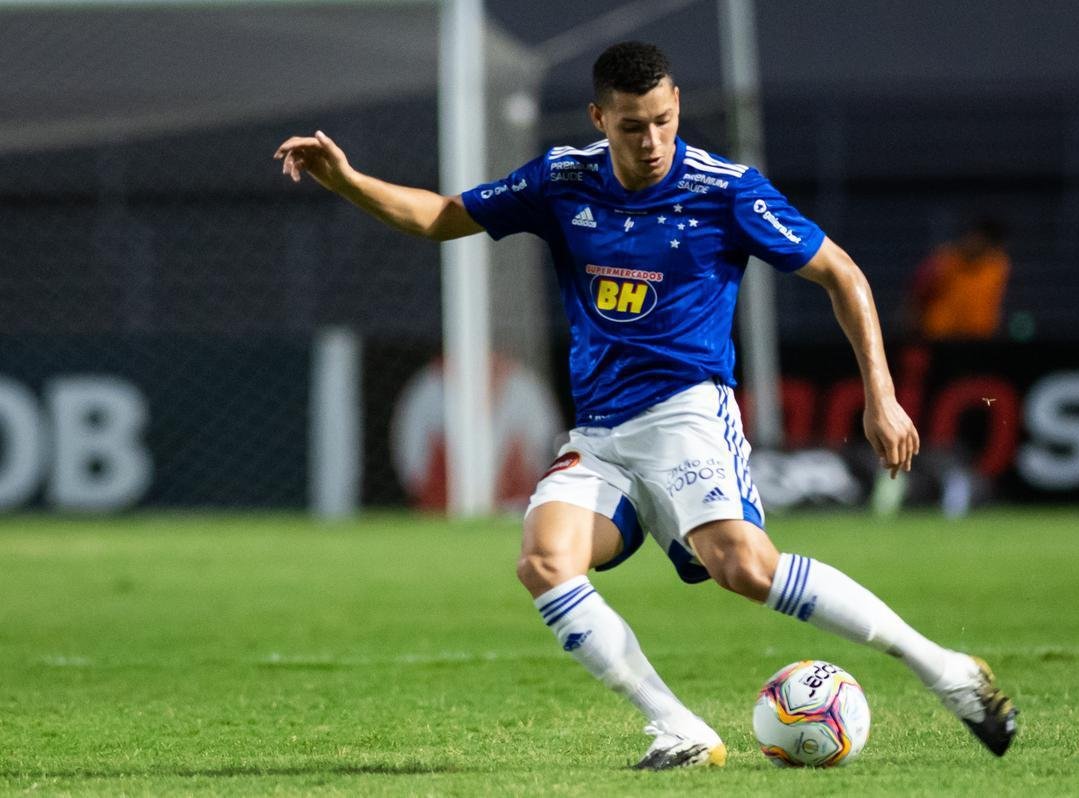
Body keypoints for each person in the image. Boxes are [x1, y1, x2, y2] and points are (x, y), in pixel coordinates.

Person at [275, 41, 1017, 770]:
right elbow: (438, 216)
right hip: (600, 434)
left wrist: (881, 400)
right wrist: (344, 180)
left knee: (745, 571)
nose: (654, 140)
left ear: (678, 106)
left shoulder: (725, 189)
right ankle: (679, 729)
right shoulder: (563, 180)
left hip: (686, 415)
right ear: (600, 118)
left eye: (664, 119)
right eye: (633, 125)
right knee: (544, 561)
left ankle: (945, 670)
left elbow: (843, 275)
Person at [909, 217, 1010, 340]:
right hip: (940, 338)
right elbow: (917, 296)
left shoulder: (998, 266)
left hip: (979, 338)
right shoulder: (943, 261)